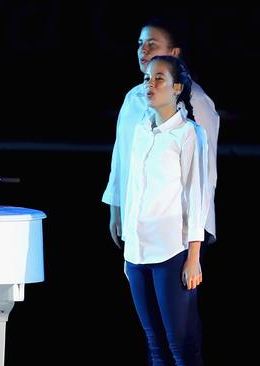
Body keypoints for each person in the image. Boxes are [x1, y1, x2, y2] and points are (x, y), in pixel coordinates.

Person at [120, 55, 209, 365]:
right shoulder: (141, 130)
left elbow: (195, 196)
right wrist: (129, 249)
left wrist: (193, 257)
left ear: (176, 87)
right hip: (137, 253)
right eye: (147, 78)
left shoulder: (189, 134)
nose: (151, 84)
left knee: (179, 345)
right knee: (153, 343)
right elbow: (133, 189)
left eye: (159, 78)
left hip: (171, 253)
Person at [102, 18, 219, 248]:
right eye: (140, 43)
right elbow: (121, 157)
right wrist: (116, 208)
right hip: (137, 223)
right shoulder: (133, 99)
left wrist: (194, 234)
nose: (143, 50)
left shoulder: (198, 103)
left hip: (177, 230)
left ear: (173, 52)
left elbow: (204, 176)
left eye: (152, 44)